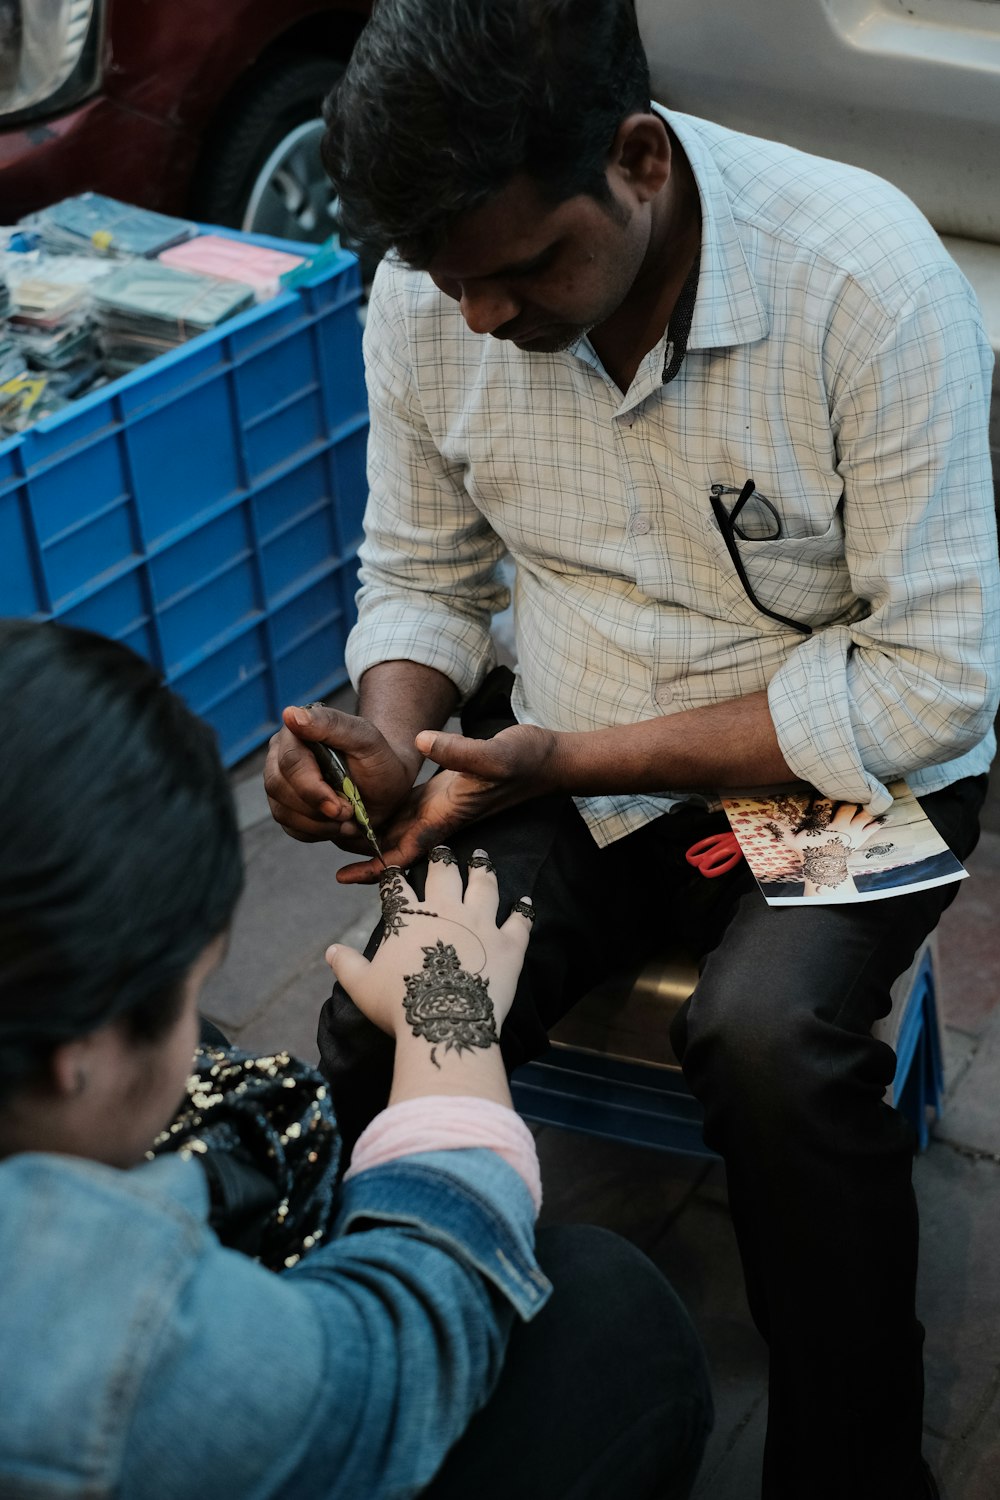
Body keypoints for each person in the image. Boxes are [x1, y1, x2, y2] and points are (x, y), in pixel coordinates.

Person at [262, 0, 1000, 1495]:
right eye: (450, 281)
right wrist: (393, 739)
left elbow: (934, 685)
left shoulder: (861, 278)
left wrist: (564, 762)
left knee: (771, 1047)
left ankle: (854, 1468)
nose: (480, 318)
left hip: (831, 775)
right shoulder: (439, 285)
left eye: (525, 269)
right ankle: (380, 1396)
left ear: (640, 159)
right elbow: (422, 568)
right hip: (557, 754)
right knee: (394, 1010)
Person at [0, 619, 712, 1500]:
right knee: (610, 1316)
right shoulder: (87, 1345)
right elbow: (402, 1342)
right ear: (77, 1055)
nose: (198, 1024)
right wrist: (447, 1021)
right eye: (191, 989)